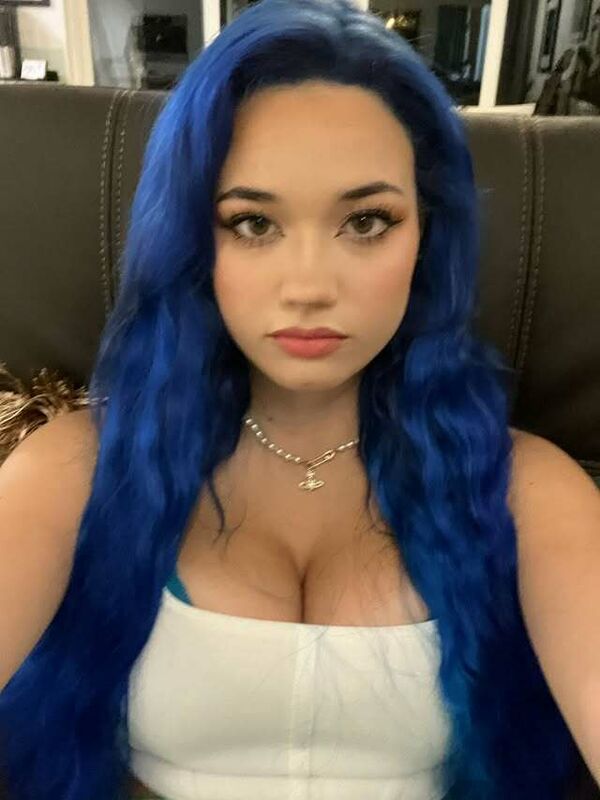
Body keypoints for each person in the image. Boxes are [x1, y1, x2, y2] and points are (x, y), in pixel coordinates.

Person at [1, 1, 599, 798]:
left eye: (367, 221)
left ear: (428, 236)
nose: (310, 286)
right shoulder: (74, 471)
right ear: (191, 242)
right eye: (253, 223)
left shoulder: (531, 491)